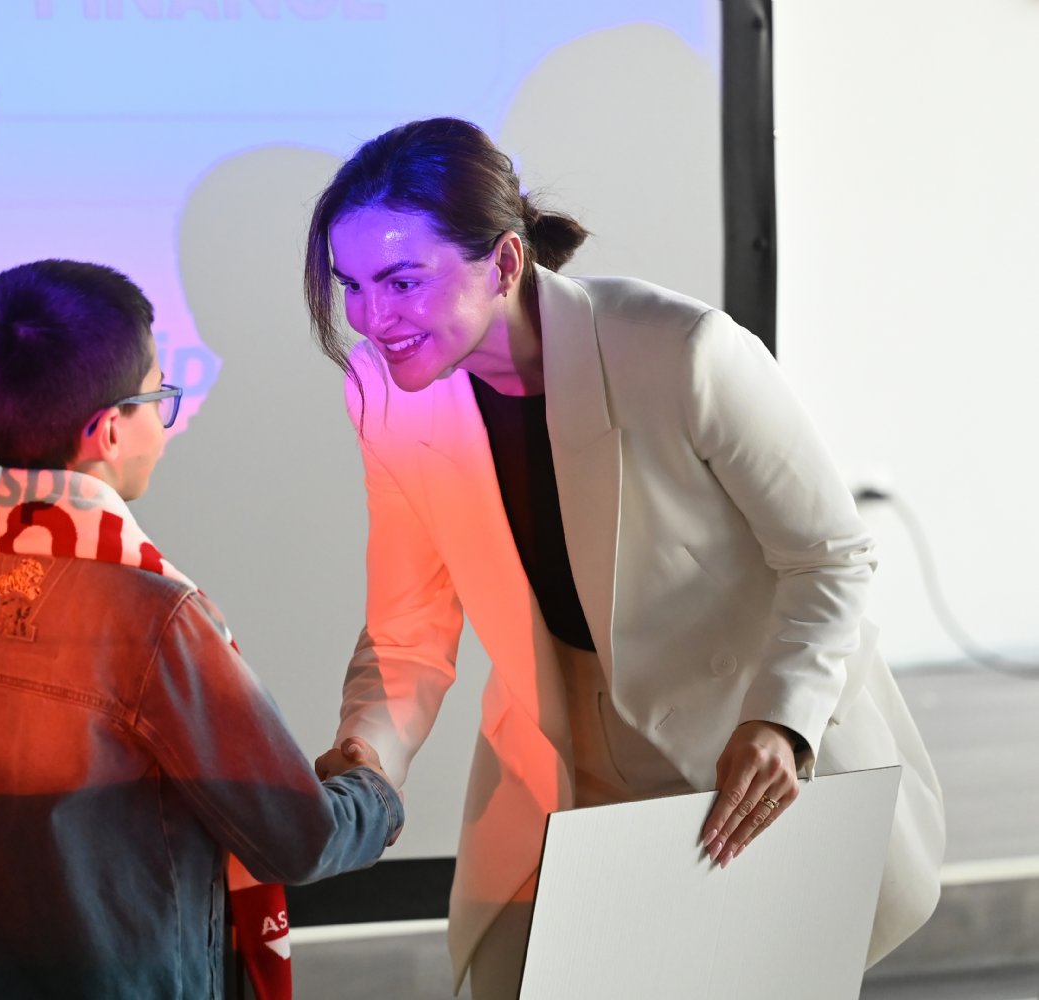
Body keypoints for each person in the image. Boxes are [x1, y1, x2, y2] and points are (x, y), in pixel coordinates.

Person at [301, 117, 944, 999]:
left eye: (402, 281)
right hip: (568, 751)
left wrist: (781, 721)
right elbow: (409, 622)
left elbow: (829, 557)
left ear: (504, 263)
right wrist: (368, 751)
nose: (371, 319)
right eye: (352, 287)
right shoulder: (382, 392)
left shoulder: (681, 349)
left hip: (742, 745)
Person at [0, 259, 403, 999]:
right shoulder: (155, 618)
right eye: (159, 398)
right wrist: (372, 789)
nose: (165, 427)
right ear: (110, 429)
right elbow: (296, 837)